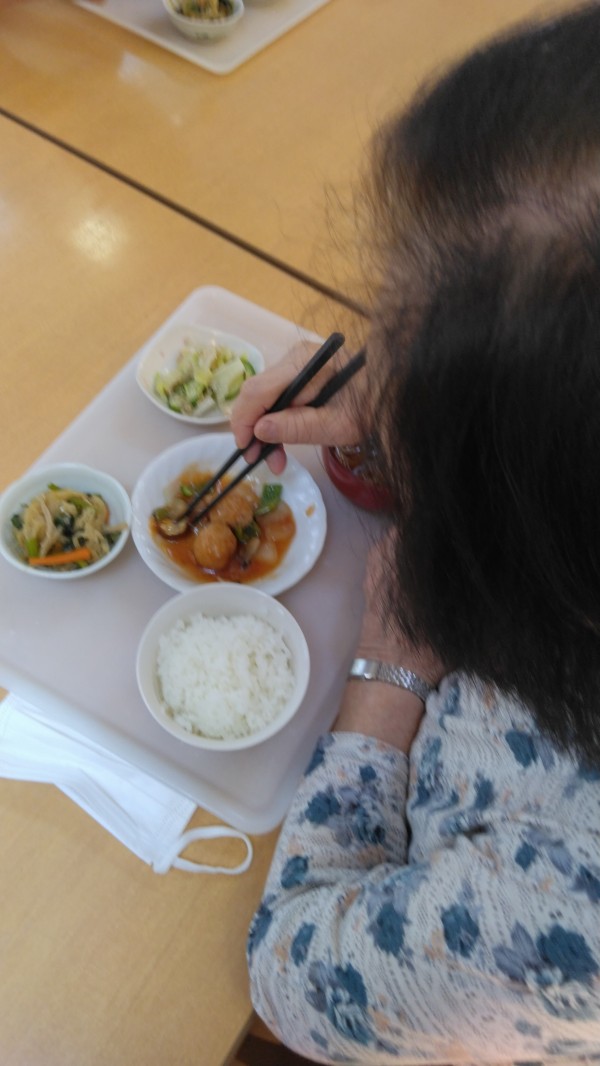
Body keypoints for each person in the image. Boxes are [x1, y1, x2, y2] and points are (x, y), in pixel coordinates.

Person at [230, 5, 600, 1063]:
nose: (369, 363)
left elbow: (291, 977)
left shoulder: (562, 914)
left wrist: (388, 676)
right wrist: (427, 389)